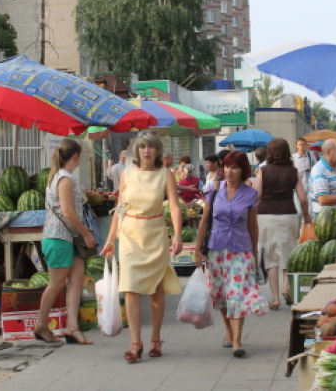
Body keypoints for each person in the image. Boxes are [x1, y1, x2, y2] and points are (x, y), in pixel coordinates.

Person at [101, 132, 183, 363]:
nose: (147, 151)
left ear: (157, 151)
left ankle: (155, 338)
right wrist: (110, 240)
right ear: (136, 151)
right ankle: (135, 342)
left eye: (151, 147)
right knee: (130, 287)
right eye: (143, 147)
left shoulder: (165, 175)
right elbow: (120, 208)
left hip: (155, 233)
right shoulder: (127, 174)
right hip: (130, 235)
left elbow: (174, 207)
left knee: (156, 289)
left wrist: (177, 234)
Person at [195, 150, 268, 358]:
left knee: (237, 294)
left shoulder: (250, 194)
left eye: (234, 167)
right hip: (216, 248)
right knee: (219, 294)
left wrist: (254, 251)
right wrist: (197, 249)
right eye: (227, 166)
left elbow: (252, 225)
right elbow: (204, 220)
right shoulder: (212, 190)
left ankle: (237, 341)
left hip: (240, 249)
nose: (229, 171)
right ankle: (228, 331)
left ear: (242, 170)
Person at [36, 139, 96, 344]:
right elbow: (68, 212)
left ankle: (72, 327)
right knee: (57, 283)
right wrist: (85, 234)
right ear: (76, 156)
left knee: (76, 280)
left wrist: (80, 231)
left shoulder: (61, 176)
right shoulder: (64, 178)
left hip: (69, 237)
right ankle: (41, 325)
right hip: (58, 237)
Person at [253, 138, 310, 310]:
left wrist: (252, 217)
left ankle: (275, 298)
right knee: (288, 253)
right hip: (288, 215)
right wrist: (307, 217)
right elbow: (302, 198)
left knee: (271, 257)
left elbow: (257, 196)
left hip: (266, 216)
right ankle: (286, 288)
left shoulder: (263, 171)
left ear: (270, 152)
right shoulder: (293, 171)